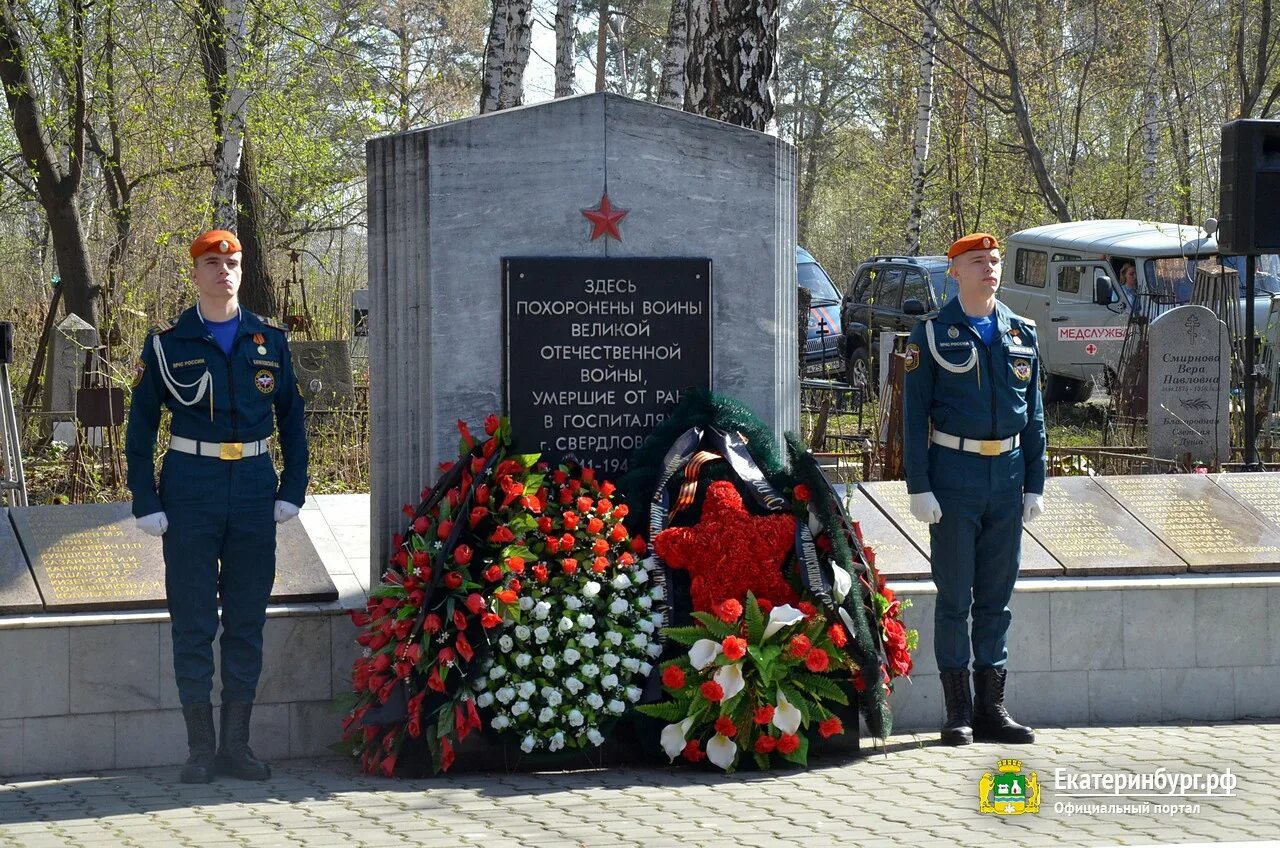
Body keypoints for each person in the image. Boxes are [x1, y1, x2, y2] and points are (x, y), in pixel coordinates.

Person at [126, 230, 308, 782]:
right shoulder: (168, 344)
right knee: (194, 620)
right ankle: (200, 750)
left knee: (248, 620)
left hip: (254, 485)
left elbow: (293, 421)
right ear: (195, 273)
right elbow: (140, 429)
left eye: (231, 262)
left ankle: (237, 747)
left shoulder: (269, 341)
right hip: (192, 486)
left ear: (240, 270)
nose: (223, 271)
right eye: (212, 263)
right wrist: (145, 499)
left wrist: (292, 489)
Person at [902, 233, 1044, 747]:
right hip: (954, 477)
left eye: (994, 261)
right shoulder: (934, 334)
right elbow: (913, 416)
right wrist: (919, 485)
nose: (989, 268)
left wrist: (1035, 483)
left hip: (1006, 478)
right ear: (954, 272)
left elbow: (1035, 419)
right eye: (977, 262)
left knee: (996, 600)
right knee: (955, 597)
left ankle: (993, 710)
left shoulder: (1021, 333)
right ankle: (957, 712)